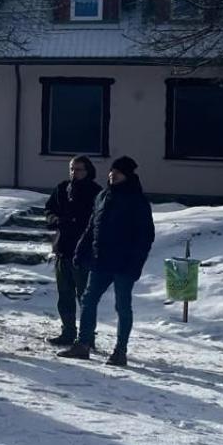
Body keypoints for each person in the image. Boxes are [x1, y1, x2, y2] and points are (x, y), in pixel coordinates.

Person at [58, 155, 155, 367]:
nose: (112, 175)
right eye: (112, 171)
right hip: (100, 260)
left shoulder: (137, 201)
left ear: (127, 176)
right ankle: (83, 344)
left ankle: (120, 351)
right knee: (88, 299)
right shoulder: (103, 196)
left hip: (124, 263)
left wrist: (135, 263)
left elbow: (145, 236)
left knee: (122, 306)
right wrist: (81, 250)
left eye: (118, 172)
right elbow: (92, 227)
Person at [43, 155, 99, 346]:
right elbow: (49, 209)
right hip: (63, 249)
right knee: (64, 296)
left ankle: (87, 337)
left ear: (88, 170)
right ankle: (67, 332)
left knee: (85, 297)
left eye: (79, 169)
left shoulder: (96, 192)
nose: (75, 173)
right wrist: (55, 220)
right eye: (72, 169)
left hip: (83, 253)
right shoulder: (62, 188)